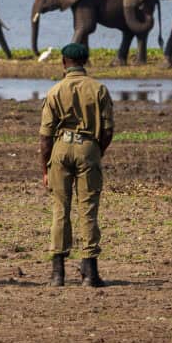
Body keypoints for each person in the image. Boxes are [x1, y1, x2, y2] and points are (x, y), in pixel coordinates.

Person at [38, 43, 114, 287]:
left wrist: (45, 168)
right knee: (88, 209)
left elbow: (45, 136)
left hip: (60, 148)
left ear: (63, 62)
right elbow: (109, 129)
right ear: (86, 61)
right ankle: (90, 272)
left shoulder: (55, 91)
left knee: (61, 210)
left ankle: (57, 273)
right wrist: (95, 151)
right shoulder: (99, 89)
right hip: (89, 147)